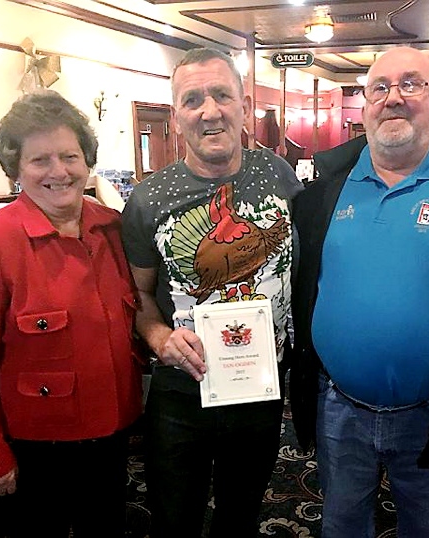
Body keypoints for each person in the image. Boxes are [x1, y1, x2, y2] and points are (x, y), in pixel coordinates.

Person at [289, 46, 429, 538]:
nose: (393, 99)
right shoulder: (322, 192)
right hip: (340, 410)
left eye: (411, 84)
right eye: (380, 88)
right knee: (341, 528)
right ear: (365, 103)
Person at [121, 47, 303, 537]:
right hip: (183, 392)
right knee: (174, 520)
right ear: (177, 117)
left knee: (241, 518)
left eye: (222, 95)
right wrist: (159, 339)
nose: (210, 111)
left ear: (243, 106)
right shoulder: (146, 199)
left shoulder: (280, 176)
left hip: (262, 387)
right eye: (193, 99)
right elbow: (137, 297)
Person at [0, 90, 143, 537]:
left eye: (70, 156)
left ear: (87, 160)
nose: (59, 172)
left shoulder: (112, 227)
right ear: (16, 169)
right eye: (40, 160)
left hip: (111, 439)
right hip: (33, 452)